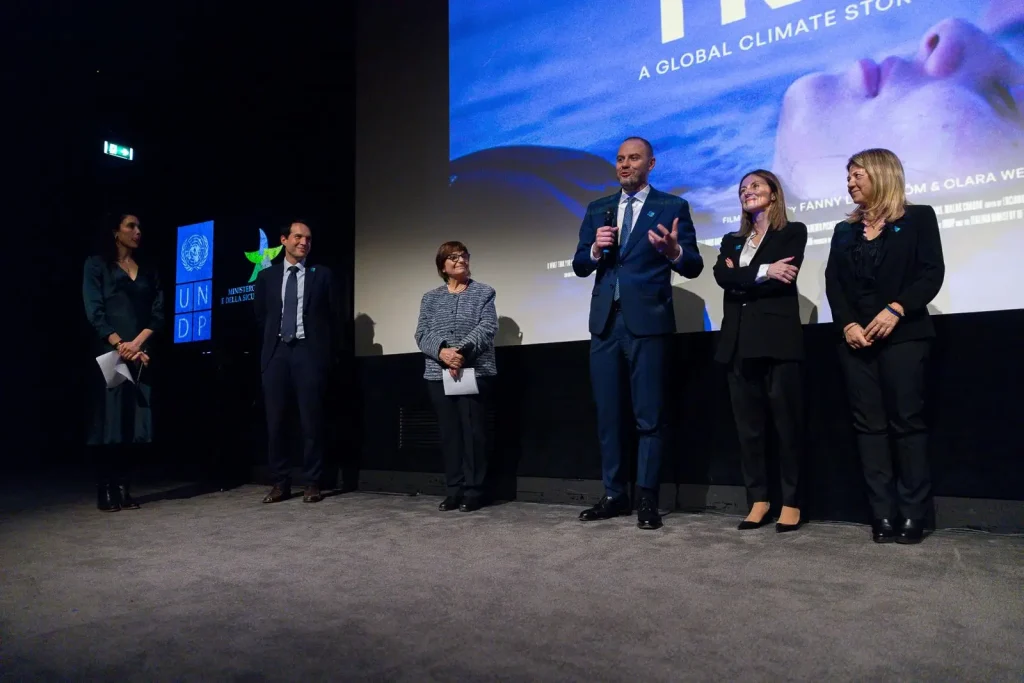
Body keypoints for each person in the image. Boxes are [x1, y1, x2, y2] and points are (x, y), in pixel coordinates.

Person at [571, 136, 704, 530]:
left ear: (651, 164)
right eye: (620, 159)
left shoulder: (672, 206)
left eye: (633, 158)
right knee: (609, 416)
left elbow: (693, 265)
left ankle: (647, 497)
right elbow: (580, 265)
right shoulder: (598, 209)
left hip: (647, 325)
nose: (625, 165)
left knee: (650, 416)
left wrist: (673, 252)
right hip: (605, 326)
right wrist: (595, 250)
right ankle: (614, 494)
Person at [825, 149, 945, 544]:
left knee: (907, 423)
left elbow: (931, 273)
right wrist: (847, 324)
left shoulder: (918, 218)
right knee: (869, 427)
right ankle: (883, 514)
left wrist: (897, 309)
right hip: (856, 340)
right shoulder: (844, 231)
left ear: (881, 174)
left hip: (905, 335)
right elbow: (834, 283)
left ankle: (913, 514)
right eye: (848, 177)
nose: (850, 183)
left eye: (857, 175)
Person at [713, 171, 807, 533]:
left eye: (754, 186)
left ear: (773, 194)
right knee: (748, 430)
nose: (747, 192)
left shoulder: (792, 232)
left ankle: (791, 501)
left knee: (786, 427)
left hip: (777, 341)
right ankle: (758, 501)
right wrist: (765, 270)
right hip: (737, 343)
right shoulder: (731, 240)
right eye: (742, 189)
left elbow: (786, 276)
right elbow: (722, 278)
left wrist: (744, 276)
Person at [255, 220, 341, 504]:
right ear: (283, 240)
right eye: (298, 237)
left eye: (308, 239)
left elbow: (334, 317)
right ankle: (280, 482)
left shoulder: (322, 274)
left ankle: (312, 481)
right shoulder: (267, 277)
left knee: (311, 421)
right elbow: (261, 316)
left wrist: (324, 354)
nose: (304, 242)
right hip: (276, 353)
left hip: (308, 352)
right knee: (276, 422)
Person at [82, 214, 164, 511]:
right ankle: (105, 488)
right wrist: (120, 345)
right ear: (115, 231)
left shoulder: (148, 269)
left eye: (139, 227)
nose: (137, 231)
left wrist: (137, 344)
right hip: (110, 352)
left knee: (134, 421)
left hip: (140, 352)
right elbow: (95, 311)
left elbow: (158, 312)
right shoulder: (96, 265)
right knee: (111, 420)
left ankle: (124, 487)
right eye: (131, 226)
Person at [414, 242, 498, 512]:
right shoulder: (430, 298)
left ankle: (474, 491)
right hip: (438, 374)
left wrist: (460, 354)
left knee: (473, 434)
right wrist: (443, 353)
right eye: (453, 257)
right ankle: (454, 490)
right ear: (443, 265)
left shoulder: (484, 292)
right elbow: (421, 333)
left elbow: (488, 327)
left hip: (473, 371)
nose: (460, 260)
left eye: (464, 256)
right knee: (449, 434)